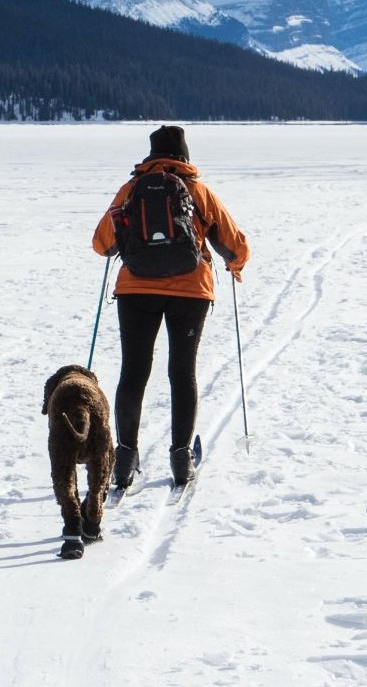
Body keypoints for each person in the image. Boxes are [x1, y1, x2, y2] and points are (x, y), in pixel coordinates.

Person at [92, 125, 250, 486]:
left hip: (135, 291)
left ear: (151, 156)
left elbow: (102, 243)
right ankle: (181, 460)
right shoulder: (197, 191)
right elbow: (235, 244)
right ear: (184, 155)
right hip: (191, 292)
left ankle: (125, 459)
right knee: (182, 372)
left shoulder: (131, 190)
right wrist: (234, 266)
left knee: (133, 372)